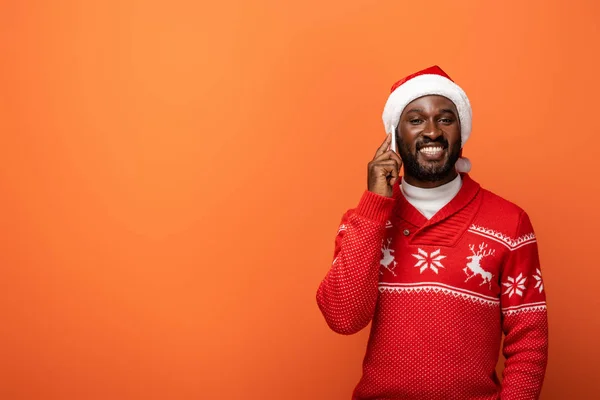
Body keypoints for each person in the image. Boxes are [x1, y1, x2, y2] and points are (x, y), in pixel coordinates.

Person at [316, 66, 548, 399]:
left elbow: (529, 340)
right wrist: (374, 206)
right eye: (415, 120)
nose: (432, 132)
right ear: (395, 136)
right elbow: (343, 317)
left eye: (445, 119)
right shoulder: (364, 222)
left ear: (461, 130)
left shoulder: (510, 223)